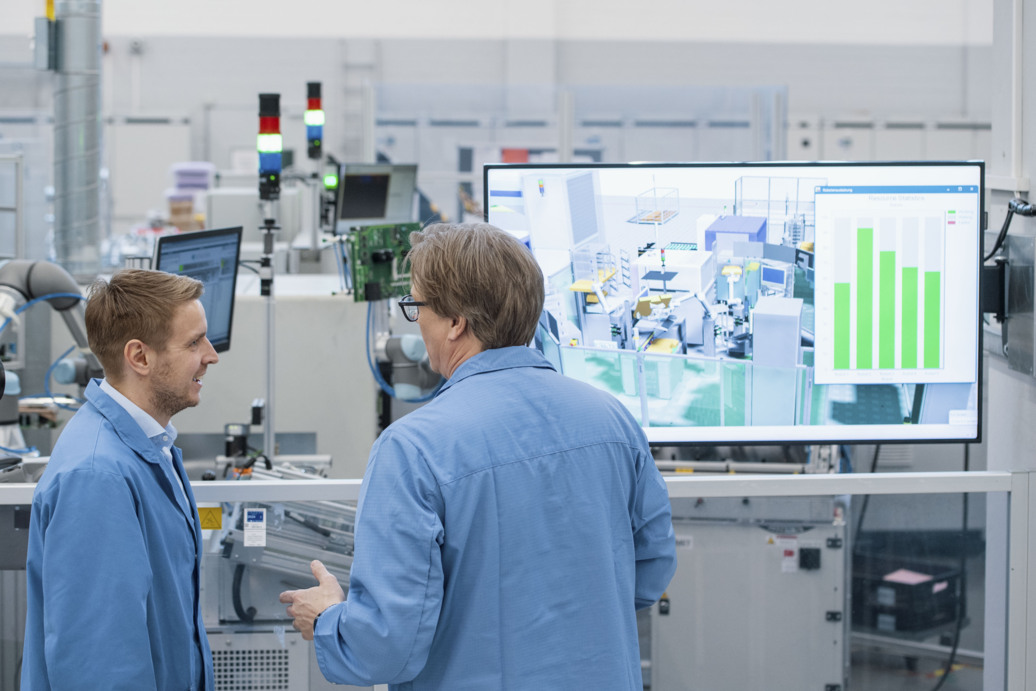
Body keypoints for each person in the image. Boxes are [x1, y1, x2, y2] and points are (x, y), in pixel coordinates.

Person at [280, 222, 677, 690]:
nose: (417, 321)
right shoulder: (612, 421)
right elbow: (650, 574)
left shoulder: (412, 448)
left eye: (416, 306)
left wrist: (328, 618)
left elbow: (386, 647)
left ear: (455, 323)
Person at [21, 269, 219, 690]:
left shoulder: (148, 446)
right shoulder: (97, 477)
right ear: (140, 357)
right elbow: (98, 666)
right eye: (194, 342)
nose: (211, 354)